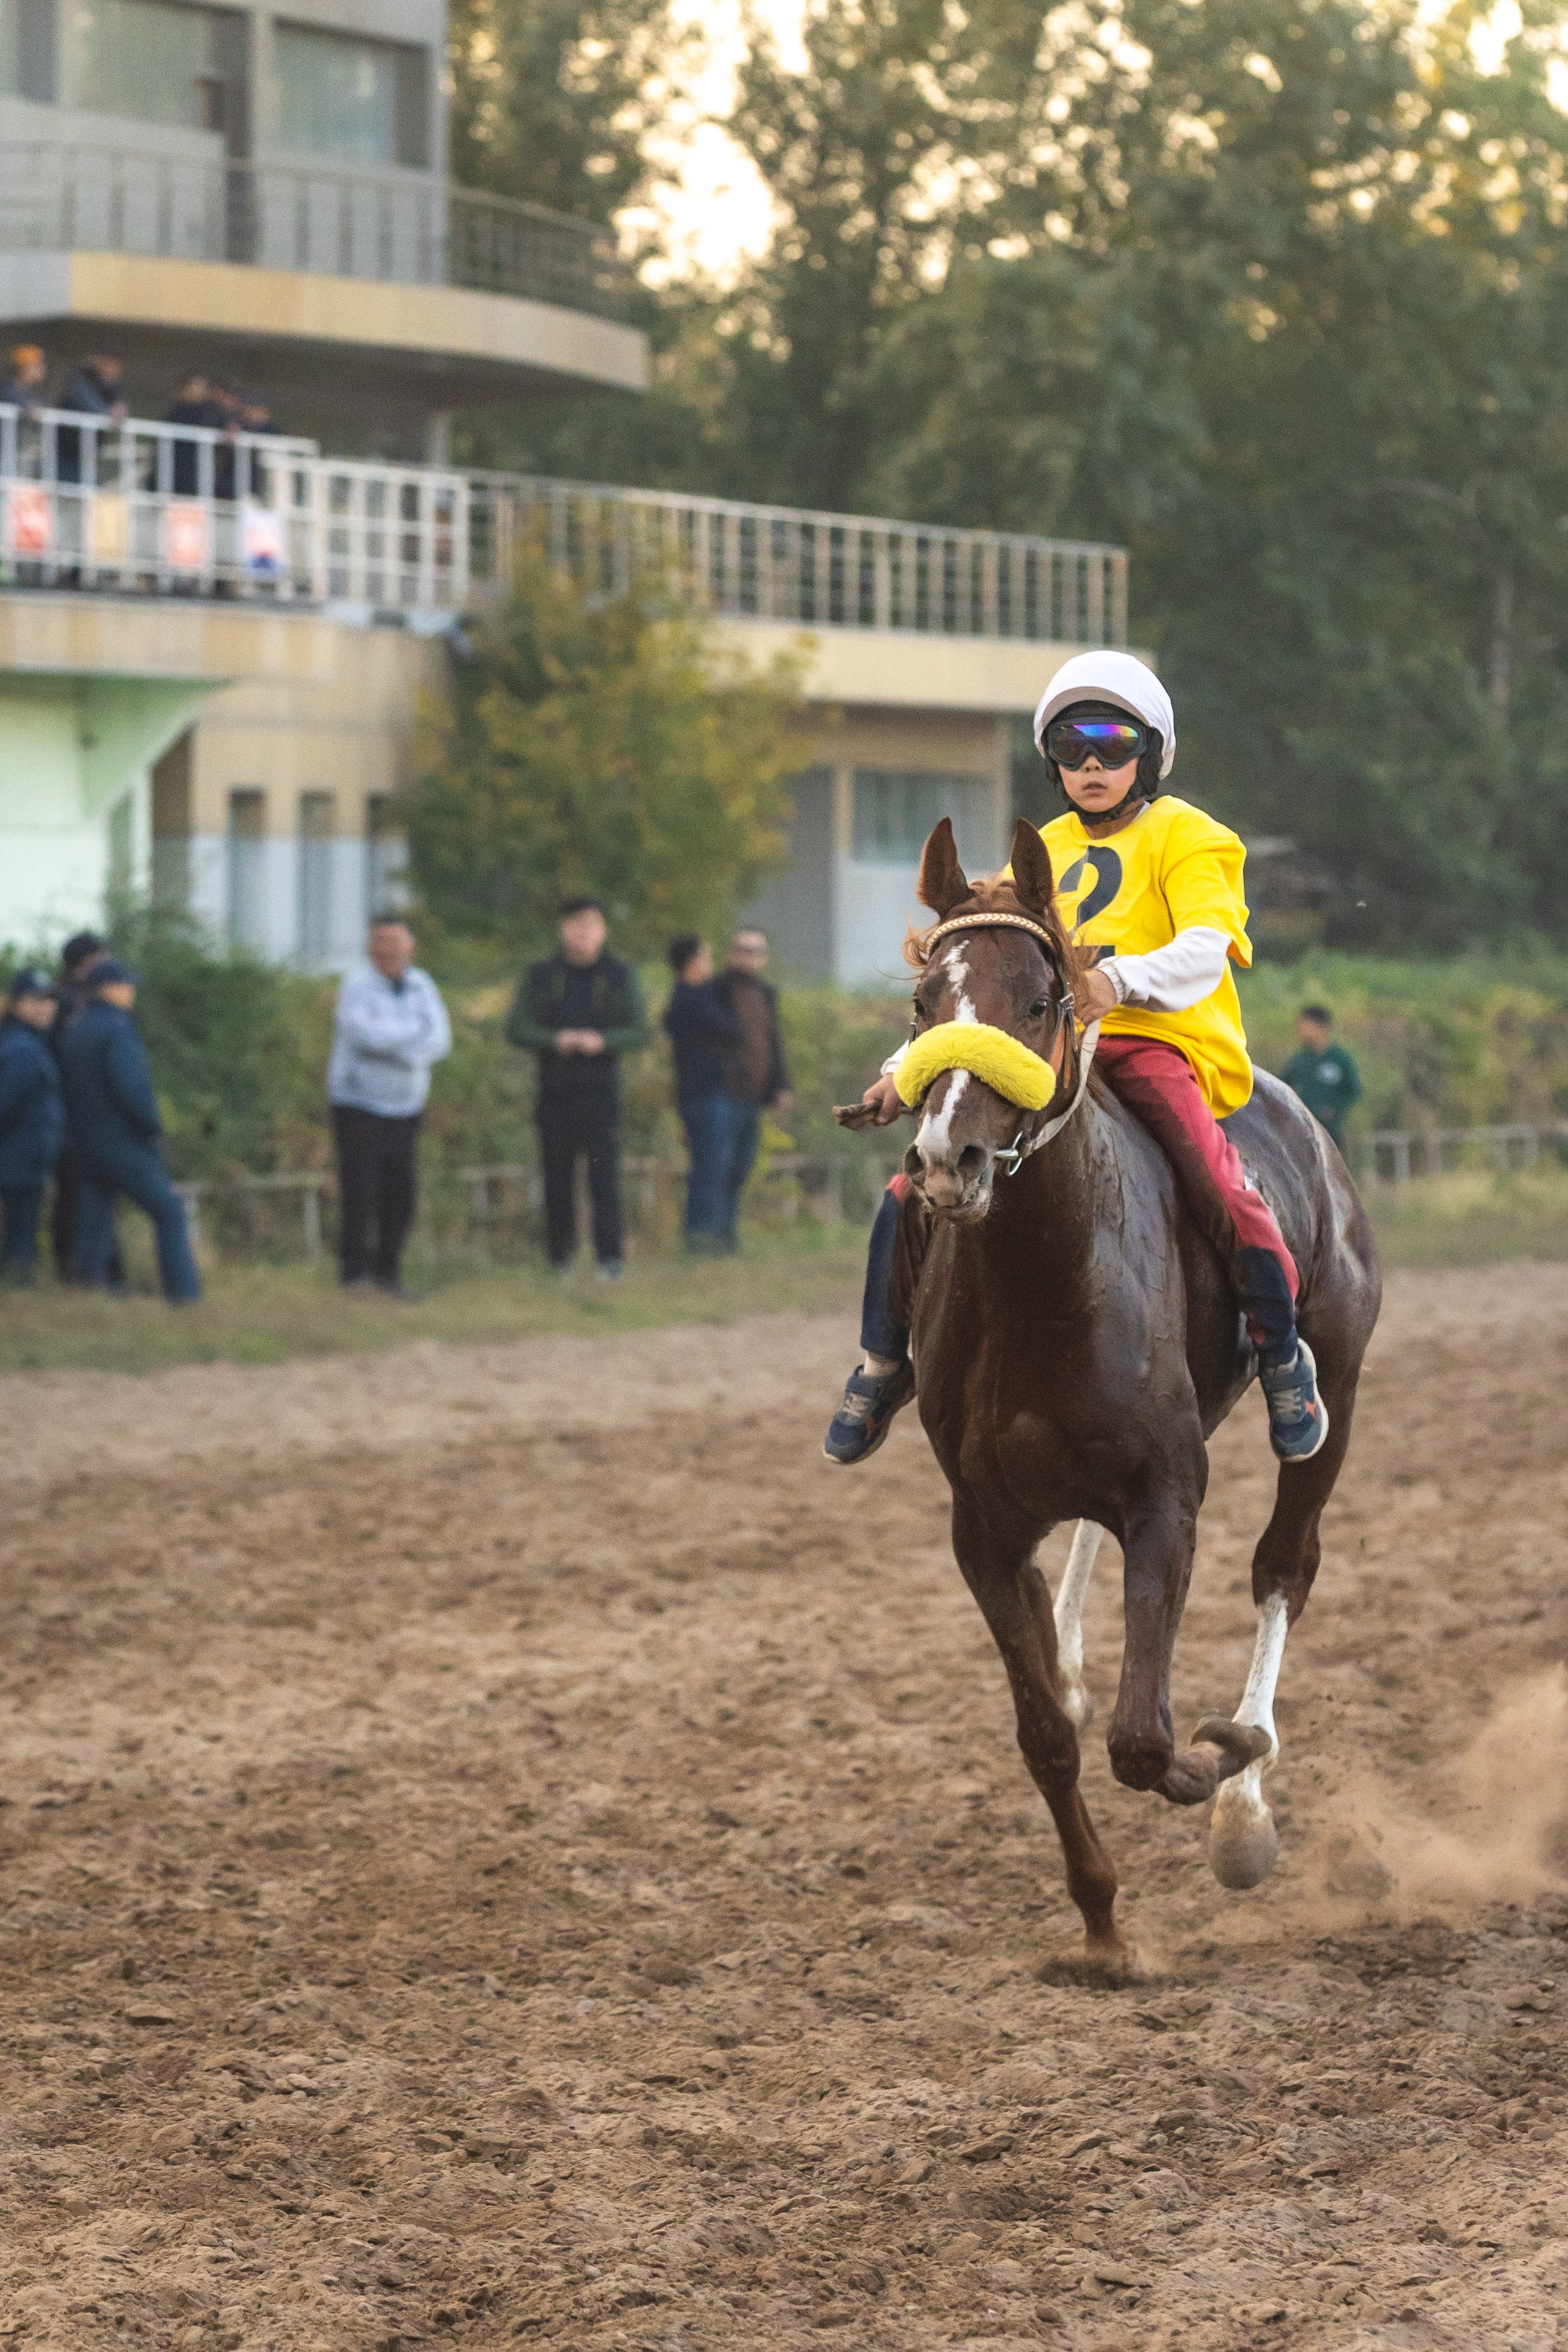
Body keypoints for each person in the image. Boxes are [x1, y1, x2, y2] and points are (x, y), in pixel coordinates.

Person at [824, 647, 1329, 1469]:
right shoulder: (1038, 850)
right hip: (1044, 1052)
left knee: (1217, 1179)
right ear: (1052, 761)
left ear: (1150, 753)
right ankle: (884, 1364)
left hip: (1159, 1042)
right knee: (911, 1184)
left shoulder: (1193, 835)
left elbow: (1207, 948)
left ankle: (1281, 1356)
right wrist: (901, 1068)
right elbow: (977, 984)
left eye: (1112, 743)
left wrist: (1117, 981)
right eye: (1071, 746)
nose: (1092, 763)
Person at [506, 897, 649, 1280]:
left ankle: (610, 1259)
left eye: (590, 924)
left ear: (603, 930)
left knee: (604, 1178)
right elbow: (517, 1027)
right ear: (562, 929)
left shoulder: (620, 975)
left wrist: (603, 1041)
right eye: (573, 924)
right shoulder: (541, 975)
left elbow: (639, 1030)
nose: (581, 932)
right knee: (557, 1178)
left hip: (601, 1091)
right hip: (554, 1090)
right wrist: (555, 1039)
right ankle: (560, 1259)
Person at [58, 958, 202, 1302]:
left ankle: (89, 1292)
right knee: (169, 1212)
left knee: (95, 1216)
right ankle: (183, 1295)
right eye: (126, 985)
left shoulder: (75, 1030)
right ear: (109, 990)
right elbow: (132, 1089)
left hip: (85, 1142)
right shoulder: (118, 1029)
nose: (130, 991)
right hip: (123, 1142)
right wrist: (152, 1129)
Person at [326, 914, 451, 1297]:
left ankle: (388, 1272)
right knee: (360, 1190)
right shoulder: (356, 985)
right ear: (368, 946)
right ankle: (354, 1274)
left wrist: (401, 1044)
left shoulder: (422, 985)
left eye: (395, 940)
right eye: (380, 940)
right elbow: (364, 1034)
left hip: (406, 1105)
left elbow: (441, 1039)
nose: (387, 948)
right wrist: (412, 1041)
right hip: (358, 1102)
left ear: (410, 944)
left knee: (400, 1192)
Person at [50, 930, 124, 1285]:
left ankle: (90, 1271)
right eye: (98, 956)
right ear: (83, 963)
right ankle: (82, 1269)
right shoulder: (68, 1004)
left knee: (87, 1196)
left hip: (78, 1117)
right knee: (76, 1195)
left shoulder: (76, 1001)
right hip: (73, 1118)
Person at [712, 925, 793, 1250]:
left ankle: (727, 1235)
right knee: (720, 1163)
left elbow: (774, 1043)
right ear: (731, 954)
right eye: (743, 950)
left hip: (754, 1095)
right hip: (723, 1092)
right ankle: (713, 1235)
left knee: (741, 1165)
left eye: (756, 951)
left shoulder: (766, 993)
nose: (749, 957)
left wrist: (781, 1086)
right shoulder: (716, 991)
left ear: (764, 958)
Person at [663, 935, 744, 1253]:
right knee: (709, 1165)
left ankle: (709, 1235)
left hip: (703, 1093)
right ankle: (700, 1237)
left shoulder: (696, 996)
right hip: (703, 1094)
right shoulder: (690, 1000)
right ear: (694, 962)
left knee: (712, 1164)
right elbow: (731, 1032)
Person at [0, 968, 64, 1284]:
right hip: (17, 1158)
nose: (45, 1007)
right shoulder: (23, 1048)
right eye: (36, 1000)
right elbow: (7, 1105)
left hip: (24, 1156)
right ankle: (19, 1295)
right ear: (16, 1004)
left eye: (49, 1000)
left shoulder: (28, 1042)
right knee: (20, 1241)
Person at [1281, 1005, 1362, 1150]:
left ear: (1320, 1027)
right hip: (1302, 1133)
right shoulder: (1300, 1060)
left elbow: (1353, 1090)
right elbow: (1281, 1086)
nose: (1301, 1032)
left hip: (1331, 1133)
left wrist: (1334, 1110)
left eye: (1305, 1027)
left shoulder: (1339, 1059)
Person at [56, 352, 129, 483]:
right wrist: (112, 413)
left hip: (87, 456)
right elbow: (93, 407)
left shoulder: (112, 387)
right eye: (110, 365)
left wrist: (119, 411)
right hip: (66, 454)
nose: (114, 371)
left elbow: (119, 407)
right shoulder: (80, 380)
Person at [1, 345, 47, 417]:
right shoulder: (7, 388)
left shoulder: (31, 391)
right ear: (21, 368)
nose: (42, 369)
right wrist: (27, 408)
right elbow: (9, 400)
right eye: (35, 366)